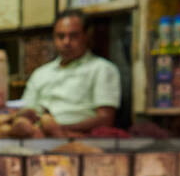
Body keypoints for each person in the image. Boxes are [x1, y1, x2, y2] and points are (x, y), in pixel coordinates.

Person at [16, 8, 120, 137]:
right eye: (60, 36)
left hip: (78, 138)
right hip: (36, 136)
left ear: (87, 36)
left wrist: (58, 129)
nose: (66, 42)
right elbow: (27, 109)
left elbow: (105, 119)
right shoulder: (40, 73)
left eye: (74, 36)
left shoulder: (102, 69)